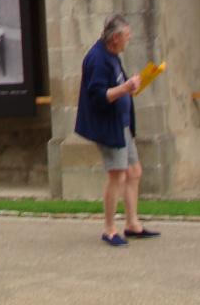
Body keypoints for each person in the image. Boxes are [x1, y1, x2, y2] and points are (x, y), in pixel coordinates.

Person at [75, 15, 159, 247]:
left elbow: (117, 87)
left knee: (134, 171)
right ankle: (109, 229)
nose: (128, 41)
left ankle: (132, 224)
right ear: (115, 38)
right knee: (117, 175)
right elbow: (98, 96)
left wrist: (132, 86)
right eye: (126, 37)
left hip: (121, 123)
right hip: (107, 125)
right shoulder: (97, 59)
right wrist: (125, 88)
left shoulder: (111, 55)